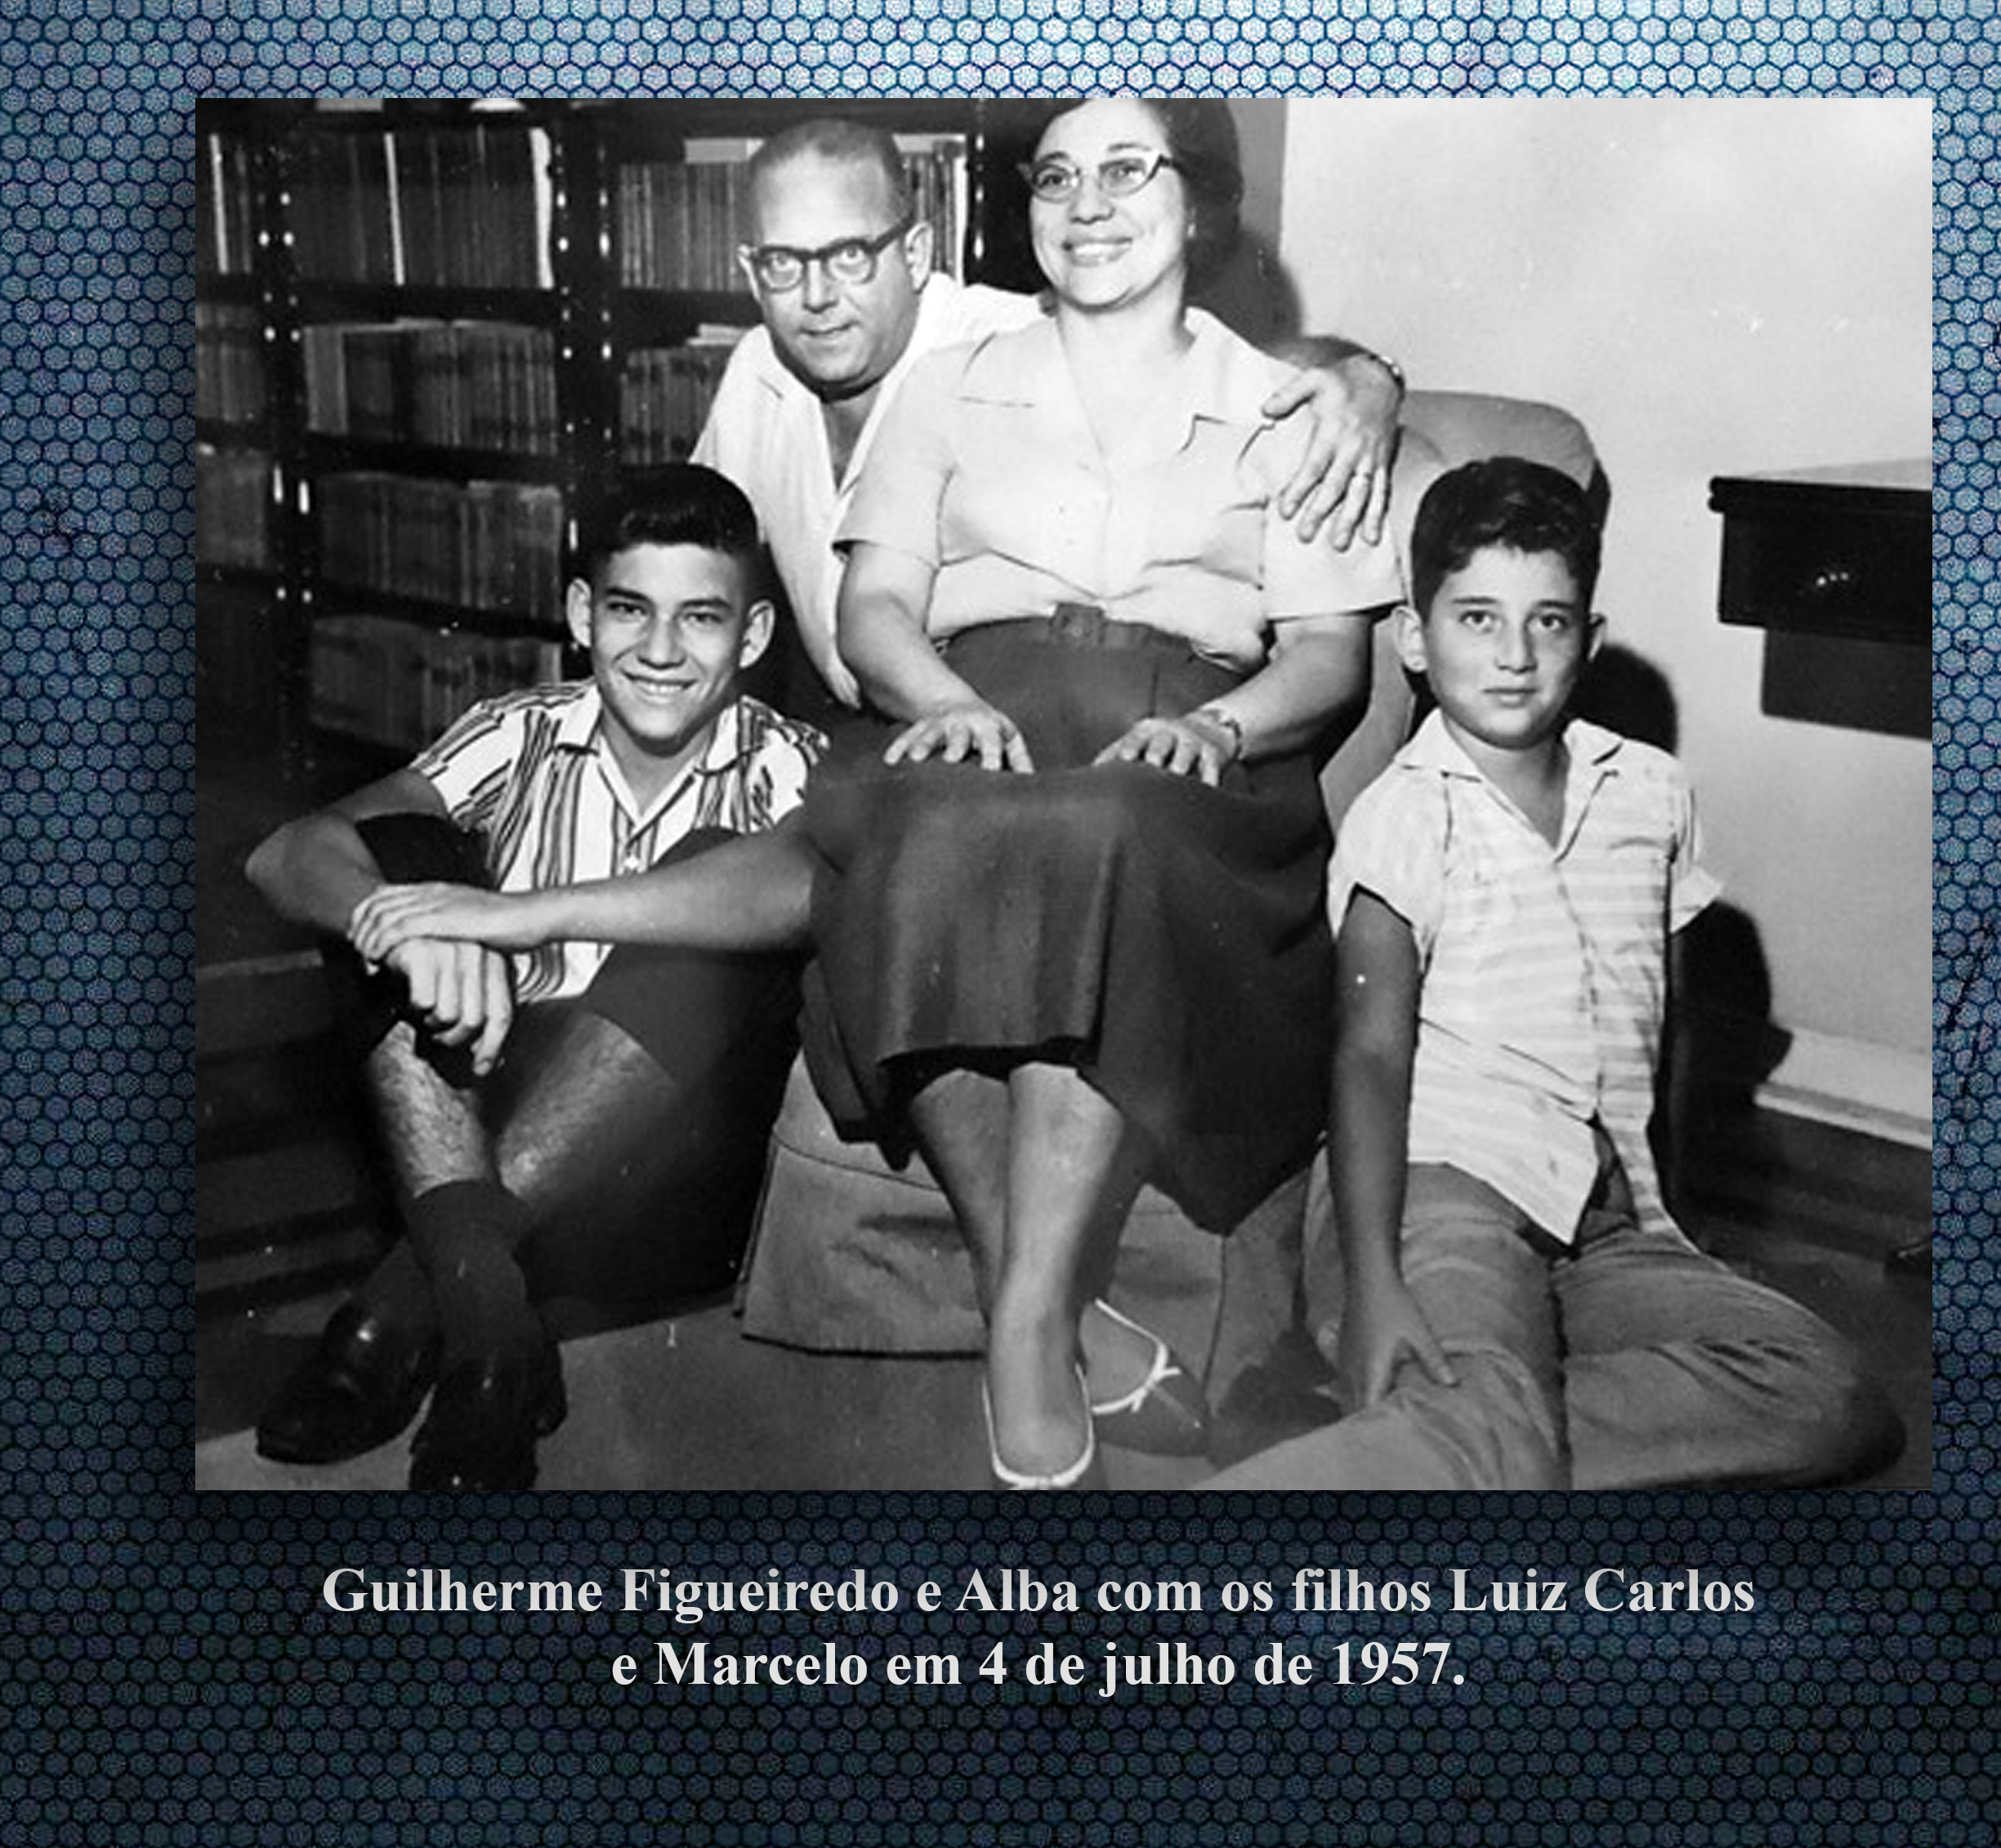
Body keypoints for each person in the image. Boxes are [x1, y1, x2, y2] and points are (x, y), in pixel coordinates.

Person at [350, 100, 1402, 1491]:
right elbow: (871, 606)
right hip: (966, 703)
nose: (1087, 204)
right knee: (885, 838)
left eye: (1126, 171)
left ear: (1197, 202)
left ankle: (1022, 1318)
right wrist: (942, 698)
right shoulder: (949, 386)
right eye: (1058, 177)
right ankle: (1036, 1304)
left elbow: (1326, 656)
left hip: (1185, 740)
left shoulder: (1277, 405)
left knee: (1095, 827)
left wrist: (1220, 717)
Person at [1202, 458, 1901, 1489]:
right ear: (1415, 639)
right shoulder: (1408, 813)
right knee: (1489, 1422)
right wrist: (1377, 1282)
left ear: (1590, 638)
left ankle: (1457, 1431)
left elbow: (1664, 1027)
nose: (1515, 655)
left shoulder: (1649, 793)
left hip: (1603, 1219)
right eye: (1477, 618)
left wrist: (1675, 1225)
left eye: (1549, 621)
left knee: (1826, 1390)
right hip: (1440, 1195)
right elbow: (1368, 1058)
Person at [242, 466, 821, 1491]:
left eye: (701, 618)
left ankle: (397, 1308)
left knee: (715, 884)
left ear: (754, 634)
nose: (659, 650)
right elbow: (289, 851)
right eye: (630, 610)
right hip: (471, 1142)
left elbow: (791, 892)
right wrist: (409, 929)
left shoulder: (786, 762)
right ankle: (491, 1333)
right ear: (582, 613)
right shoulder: (520, 731)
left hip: (667, 1178)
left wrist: (515, 917)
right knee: (399, 854)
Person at [693, 113, 1405, 726]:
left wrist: (1371, 380)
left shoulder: (1004, 335)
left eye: (850, 256)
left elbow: (1243, 366)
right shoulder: (759, 369)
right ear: (753, 273)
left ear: (915, 253)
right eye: (784, 263)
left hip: (1050, 700)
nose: (816, 296)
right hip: (857, 710)